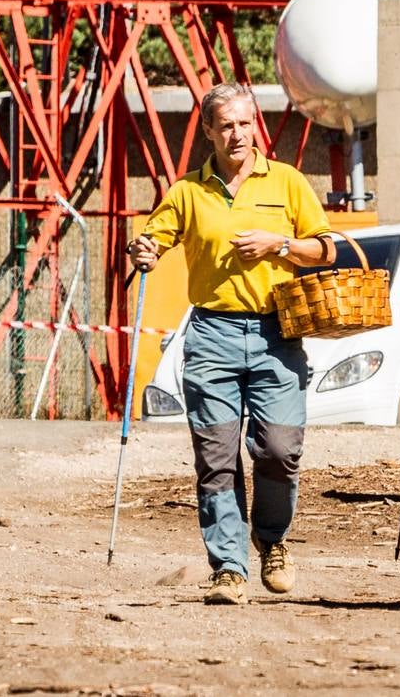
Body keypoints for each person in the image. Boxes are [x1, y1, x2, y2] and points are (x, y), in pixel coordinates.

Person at [126, 83, 335, 606]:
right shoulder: (188, 192)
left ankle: (272, 538)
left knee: (279, 451)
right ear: (209, 132)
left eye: (245, 123)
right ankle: (228, 568)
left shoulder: (286, 182)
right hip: (212, 336)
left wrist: (278, 243)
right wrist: (144, 250)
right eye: (226, 125)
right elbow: (154, 240)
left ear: (255, 125)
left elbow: (326, 248)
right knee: (216, 458)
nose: (237, 133)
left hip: (276, 335)